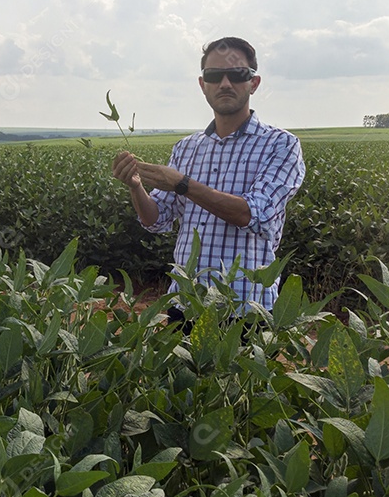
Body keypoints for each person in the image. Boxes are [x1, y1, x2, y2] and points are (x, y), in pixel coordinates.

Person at [111, 37, 305, 315]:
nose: (225, 84)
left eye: (237, 74)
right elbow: (156, 219)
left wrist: (183, 184)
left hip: (245, 310)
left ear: (254, 83)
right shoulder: (186, 147)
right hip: (185, 304)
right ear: (203, 85)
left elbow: (254, 214)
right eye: (214, 76)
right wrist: (135, 187)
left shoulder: (281, 145)